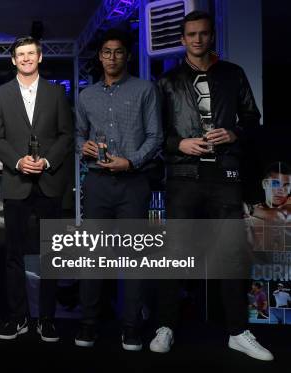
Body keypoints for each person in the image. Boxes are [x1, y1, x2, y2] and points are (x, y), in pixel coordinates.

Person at [153, 11, 273, 360]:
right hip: (183, 178)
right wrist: (180, 145)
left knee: (231, 256)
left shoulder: (232, 74)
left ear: (211, 37)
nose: (197, 39)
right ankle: (166, 326)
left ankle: (237, 331)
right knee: (174, 257)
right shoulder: (168, 81)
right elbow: (156, 133)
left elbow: (253, 119)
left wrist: (234, 132)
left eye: (203, 34)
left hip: (225, 177)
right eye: (191, 34)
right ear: (182, 39)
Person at [75, 28, 162, 351]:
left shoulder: (145, 90)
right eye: (107, 52)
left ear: (127, 55)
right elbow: (78, 134)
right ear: (99, 57)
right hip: (96, 183)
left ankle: (131, 328)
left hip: (133, 183)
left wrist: (132, 162)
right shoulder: (86, 95)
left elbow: (155, 136)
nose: (112, 57)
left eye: (119, 52)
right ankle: (88, 324)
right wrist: (83, 145)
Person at [0, 36, 73, 342]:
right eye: (20, 54)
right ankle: (17, 316)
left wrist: (48, 161)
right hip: (16, 182)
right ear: (13, 60)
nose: (25, 58)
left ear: (39, 58)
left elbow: (67, 135)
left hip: (49, 184)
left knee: (51, 254)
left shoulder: (56, 92)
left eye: (30, 54)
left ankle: (47, 318)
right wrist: (17, 162)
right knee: (13, 254)